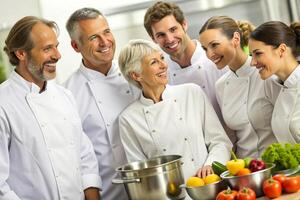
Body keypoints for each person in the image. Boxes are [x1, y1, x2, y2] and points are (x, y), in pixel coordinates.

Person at [1, 16, 101, 200]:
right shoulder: (3, 104)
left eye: (56, 46)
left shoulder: (65, 96)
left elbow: (85, 156)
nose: (57, 55)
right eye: (47, 48)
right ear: (21, 54)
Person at [118, 39, 232, 180]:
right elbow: (140, 173)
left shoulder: (191, 93)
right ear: (136, 75)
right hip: (168, 194)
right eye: (154, 62)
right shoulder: (129, 118)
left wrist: (210, 166)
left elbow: (220, 141)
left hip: (207, 185)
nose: (164, 65)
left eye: (161, 58)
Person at [64, 8, 139, 200]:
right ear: (75, 46)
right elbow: (74, 158)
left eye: (107, 32)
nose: (105, 42)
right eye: (93, 37)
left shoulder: (136, 73)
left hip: (149, 186)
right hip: (108, 193)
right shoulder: (67, 94)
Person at [143, 2, 230, 138]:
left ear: (184, 25)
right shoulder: (160, 72)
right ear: (153, 38)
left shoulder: (215, 57)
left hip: (232, 144)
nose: (170, 39)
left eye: (173, 29)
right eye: (161, 35)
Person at [198, 16, 278, 158]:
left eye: (214, 45)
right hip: (245, 170)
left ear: (235, 39)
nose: (209, 54)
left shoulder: (267, 74)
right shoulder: (221, 86)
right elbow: (232, 138)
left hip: (280, 164)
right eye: (205, 49)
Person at [249, 21, 300, 143]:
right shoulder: (280, 87)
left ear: (281, 50)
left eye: (258, 54)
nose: (252, 62)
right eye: (251, 55)